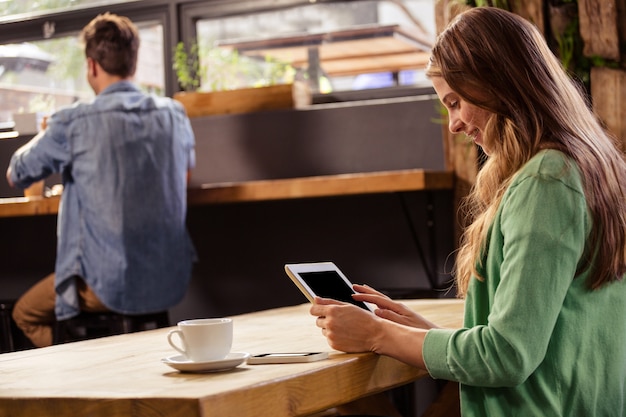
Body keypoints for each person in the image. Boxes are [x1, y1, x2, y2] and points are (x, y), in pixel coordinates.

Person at [310, 7, 626, 416]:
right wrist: (418, 331)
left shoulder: (546, 180)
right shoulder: (590, 167)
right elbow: (540, 340)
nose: (453, 125)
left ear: (497, 83)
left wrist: (378, 335)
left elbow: (508, 356)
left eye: (456, 102)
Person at [6, 12, 196, 348]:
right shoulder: (174, 114)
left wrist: (47, 133)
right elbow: (184, 176)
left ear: (92, 65)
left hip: (106, 284)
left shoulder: (73, 121)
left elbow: (17, 172)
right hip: (168, 278)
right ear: (133, 63)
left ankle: (87, 370)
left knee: (24, 313)